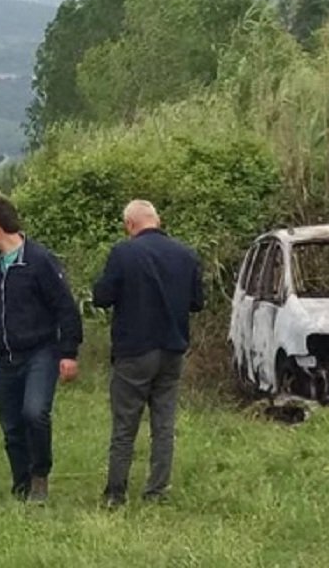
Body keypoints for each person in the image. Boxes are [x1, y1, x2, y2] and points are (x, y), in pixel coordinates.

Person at [0, 197, 82, 504]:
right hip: (3, 357)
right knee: (11, 424)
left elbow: (66, 308)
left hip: (40, 352)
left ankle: (40, 476)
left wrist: (68, 352)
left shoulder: (39, 260)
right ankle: (21, 483)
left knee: (34, 413)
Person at [92, 200, 204, 507]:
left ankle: (116, 493)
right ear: (158, 220)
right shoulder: (186, 255)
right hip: (172, 348)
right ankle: (157, 490)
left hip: (134, 350)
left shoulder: (123, 253)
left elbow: (103, 297)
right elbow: (197, 302)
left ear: (130, 225)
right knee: (164, 424)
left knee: (125, 424)